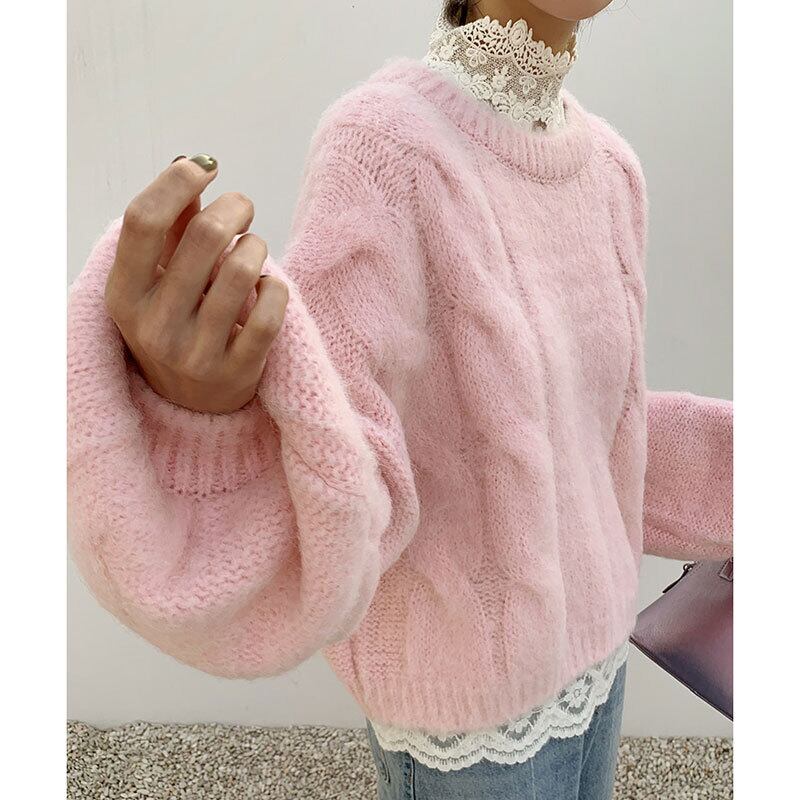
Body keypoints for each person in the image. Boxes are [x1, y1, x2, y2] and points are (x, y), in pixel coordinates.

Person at [66, 1, 733, 797]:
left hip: (600, 664)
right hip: (470, 721)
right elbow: (341, 465)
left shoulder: (612, 169)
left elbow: (592, 431)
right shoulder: (383, 149)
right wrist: (204, 423)